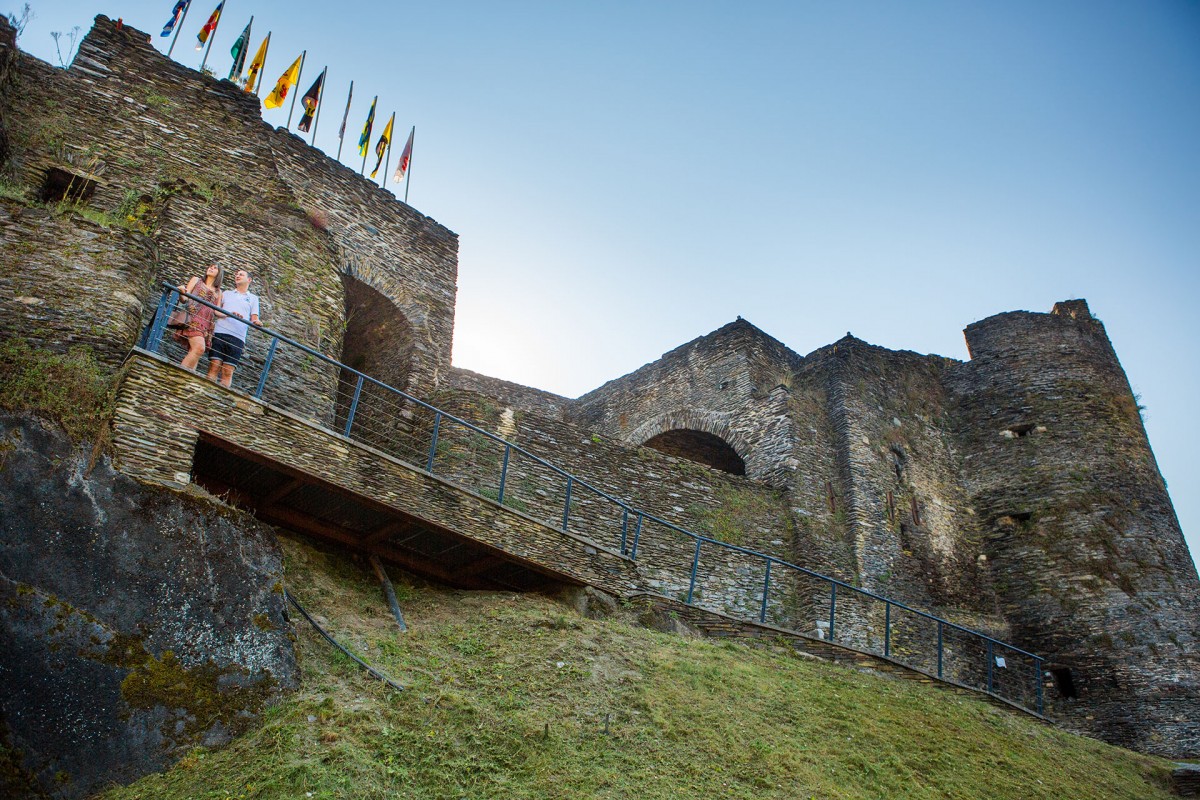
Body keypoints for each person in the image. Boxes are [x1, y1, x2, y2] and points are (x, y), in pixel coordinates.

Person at [206, 268, 261, 388]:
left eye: (241, 274)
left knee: (227, 371)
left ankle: (221, 399)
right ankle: (206, 393)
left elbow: (254, 318)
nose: (237, 276)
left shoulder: (253, 298)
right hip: (220, 332)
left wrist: (257, 322)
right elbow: (216, 311)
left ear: (249, 280)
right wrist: (229, 313)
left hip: (238, 337)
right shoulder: (226, 294)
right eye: (236, 274)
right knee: (214, 365)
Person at [175, 264, 223, 371]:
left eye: (215, 268)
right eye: (210, 266)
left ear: (219, 273)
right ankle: (179, 374)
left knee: (194, 351)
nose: (211, 268)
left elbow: (217, 311)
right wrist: (181, 291)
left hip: (206, 323)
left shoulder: (218, 291)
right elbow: (185, 299)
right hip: (192, 318)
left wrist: (230, 314)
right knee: (199, 348)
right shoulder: (196, 280)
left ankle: (187, 379)